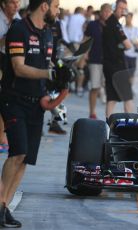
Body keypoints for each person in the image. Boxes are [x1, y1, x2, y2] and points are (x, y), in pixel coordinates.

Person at [0, 0, 70, 227]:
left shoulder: (48, 33)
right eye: (56, 6)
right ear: (44, 6)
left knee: (25, 159)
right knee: (17, 153)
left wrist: (57, 79)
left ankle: (4, 207)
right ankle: (0, 205)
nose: (58, 11)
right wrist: (48, 74)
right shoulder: (19, 29)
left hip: (36, 104)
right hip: (14, 100)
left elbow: (48, 67)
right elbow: (19, 67)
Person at [102, 0, 133, 119]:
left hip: (108, 64)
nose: (123, 12)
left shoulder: (108, 23)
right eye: (120, 8)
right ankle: (131, 125)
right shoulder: (115, 24)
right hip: (117, 66)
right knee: (127, 96)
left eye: (124, 9)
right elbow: (128, 45)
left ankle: (108, 125)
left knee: (112, 97)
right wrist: (120, 46)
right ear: (114, 8)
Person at [84, 3, 112, 119]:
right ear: (100, 12)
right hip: (95, 59)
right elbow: (86, 39)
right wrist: (85, 54)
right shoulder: (92, 25)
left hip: (108, 61)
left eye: (108, 11)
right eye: (104, 11)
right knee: (95, 87)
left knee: (108, 87)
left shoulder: (113, 25)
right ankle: (92, 112)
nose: (106, 13)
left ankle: (109, 115)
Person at [0, 0, 21, 154]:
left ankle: (4, 138)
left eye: (18, 3)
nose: (16, 6)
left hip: (9, 62)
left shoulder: (17, 18)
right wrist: (8, 36)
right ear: (4, 4)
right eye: (13, 3)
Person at [123, 12, 138, 84]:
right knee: (125, 73)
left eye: (128, 17)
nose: (127, 19)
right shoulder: (122, 28)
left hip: (134, 54)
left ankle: (129, 89)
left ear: (131, 18)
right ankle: (126, 89)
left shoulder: (136, 29)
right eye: (126, 17)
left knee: (132, 73)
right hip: (125, 54)